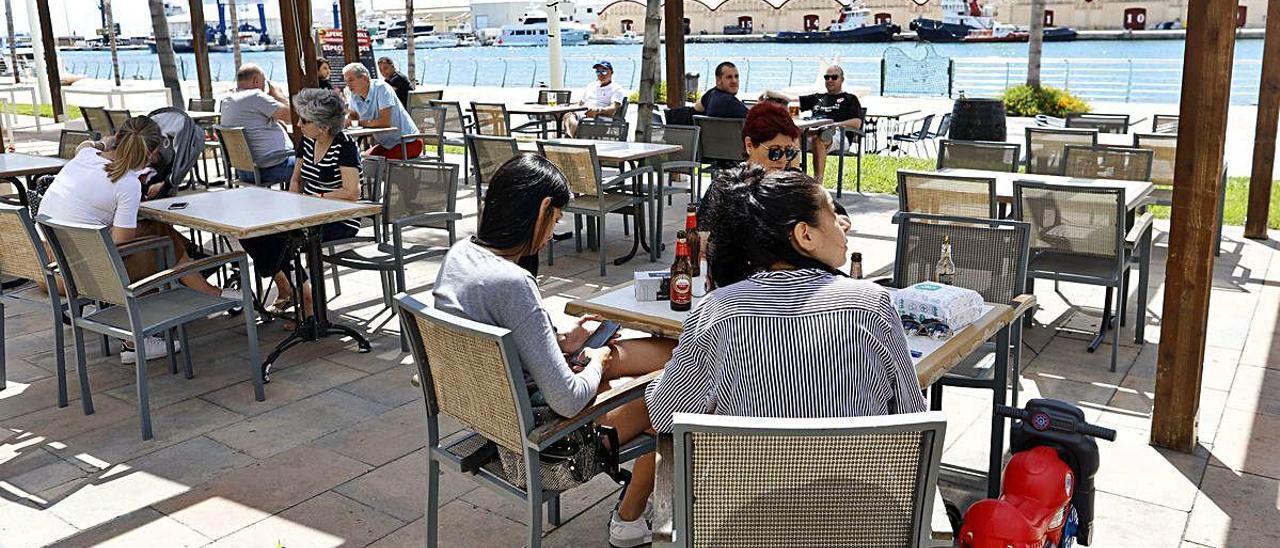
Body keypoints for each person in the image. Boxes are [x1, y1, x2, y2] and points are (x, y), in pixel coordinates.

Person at [432, 153, 675, 548]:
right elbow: (567, 400)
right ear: (543, 208)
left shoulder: (461, 255)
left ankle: (631, 517)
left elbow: (505, 343)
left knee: (667, 355)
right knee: (674, 392)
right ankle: (629, 519)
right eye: (557, 219)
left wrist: (564, 343)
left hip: (494, 419)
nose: (552, 232)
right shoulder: (512, 283)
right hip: (548, 447)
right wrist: (600, 360)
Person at [646, 166, 926, 433]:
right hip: (857, 481)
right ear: (805, 235)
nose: (843, 223)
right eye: (832, 213)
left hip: (743, 481)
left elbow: (665, 414)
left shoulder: (717, 309)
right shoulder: (872, 305)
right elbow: (912, 416)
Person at [39, 116, 238, 363]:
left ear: (117, 139)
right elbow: (121, 244)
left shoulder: (84, 158)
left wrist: (107, 143)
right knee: (156, 240)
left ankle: (208, 290)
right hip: (83, 278)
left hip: (48, 270)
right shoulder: (127, 184)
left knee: (155, 231)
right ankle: (136, 341)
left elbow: (86, 146)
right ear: (152, 154)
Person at [239, 88, 362, 318]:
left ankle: (305, 297)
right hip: (308, 213)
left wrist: (318, 199)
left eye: (304, 121)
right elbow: (296, 179)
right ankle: (293, 286)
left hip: (339, 218)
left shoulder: (345, 147)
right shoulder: (307, 141)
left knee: (283, 238)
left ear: (324, 126)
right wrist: (292, 202)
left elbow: (352, 191)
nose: (298, 124)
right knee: (250, 232)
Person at [219, 63, 296, 186]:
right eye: (263, 82)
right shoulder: (256, 96)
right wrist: (278, 94)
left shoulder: (226, 100)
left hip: (243, 170)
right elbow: (291, 117)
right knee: (309, 165)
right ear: (255, 80)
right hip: (270, 168)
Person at [797, 65, 864, 183]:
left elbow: (856, 123)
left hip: (837, 133)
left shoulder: (850, 99)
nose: (830, 80)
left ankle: (818, 184)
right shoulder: (818, 97)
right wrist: (770, 95)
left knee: (820, 138)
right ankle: (793, 180)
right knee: (790, 137)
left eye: (834, 77)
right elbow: (793, 102)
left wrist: (835, 125)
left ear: (842, 80)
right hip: (812, 130)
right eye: (827, 77)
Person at [343, 62, 422, 159]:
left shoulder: (382, 88)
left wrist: (357, 123)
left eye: (350, 80)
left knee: (372, 164)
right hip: (387, 145)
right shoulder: (353, 94)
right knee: (358, 160)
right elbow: (353, 117)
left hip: (408, 142)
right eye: (346, 81)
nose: (348, 85)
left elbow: (385, 122)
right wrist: (345, 118)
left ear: (364, 78)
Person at [564, 60, 627, 137]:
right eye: (598, 72)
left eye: (604, 71)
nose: (601, 74)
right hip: (584, 114)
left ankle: (572, 137)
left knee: (570, 118)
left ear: (611, 72)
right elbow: (581, 103)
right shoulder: (591, 85)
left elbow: (613, 109)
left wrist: (598, 111)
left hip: (600, 117)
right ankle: (573, 135)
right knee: (567, 114)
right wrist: (568, 106)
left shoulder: (616, 88)